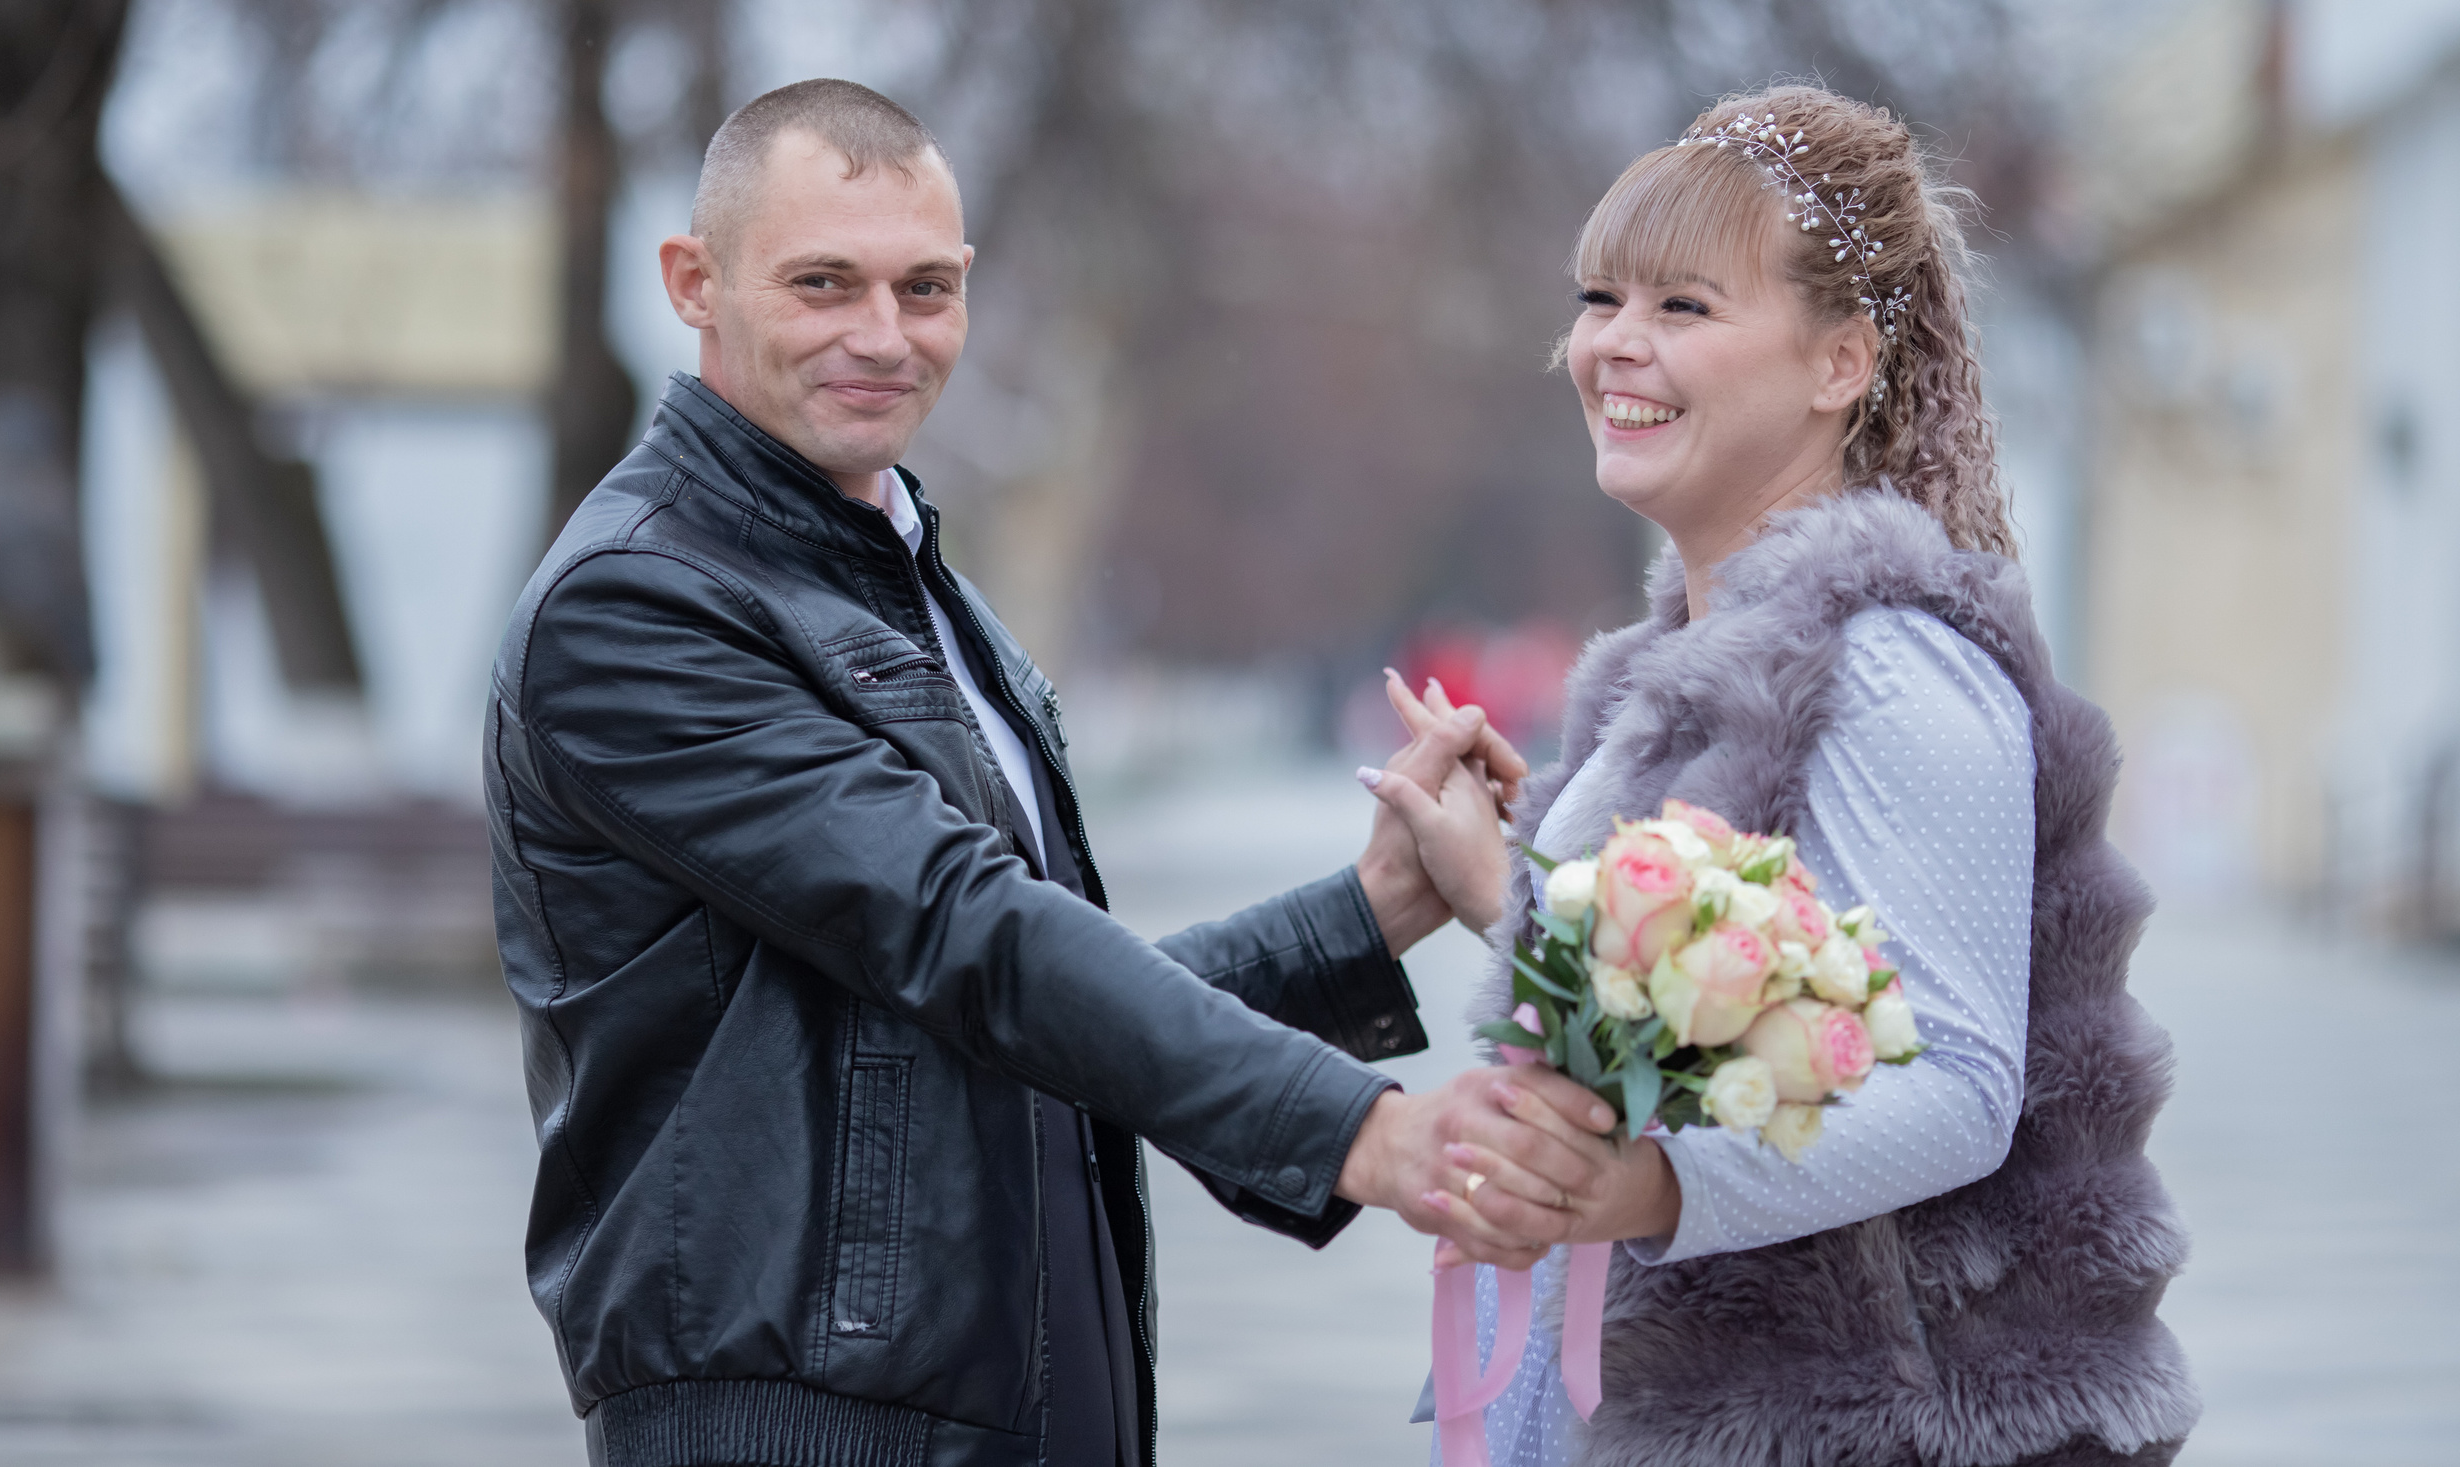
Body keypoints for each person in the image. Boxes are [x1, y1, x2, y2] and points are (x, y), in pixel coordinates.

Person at [483, 77, 1620, 1467]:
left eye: (926, 289)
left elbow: (1016, 1027)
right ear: (693, 282)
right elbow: (965, 929)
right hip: (808, 1433)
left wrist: (1362, 915)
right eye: (824, 284)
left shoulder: (898, 579)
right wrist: (1361, 1132)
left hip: (1014, 1402)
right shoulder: (635, 605)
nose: (883, 337)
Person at [1364, 84, 2200, 1466]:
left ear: (1840, 362)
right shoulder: (1696, 655)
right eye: (1600, 297)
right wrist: (1494, 880)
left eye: (1684, 307)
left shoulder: (1885, 666)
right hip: (1658, 1384)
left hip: (1838, 1421)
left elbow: (1963, 1090)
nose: (1614, 346)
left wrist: (1634, 1187)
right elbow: (1708, 1010)